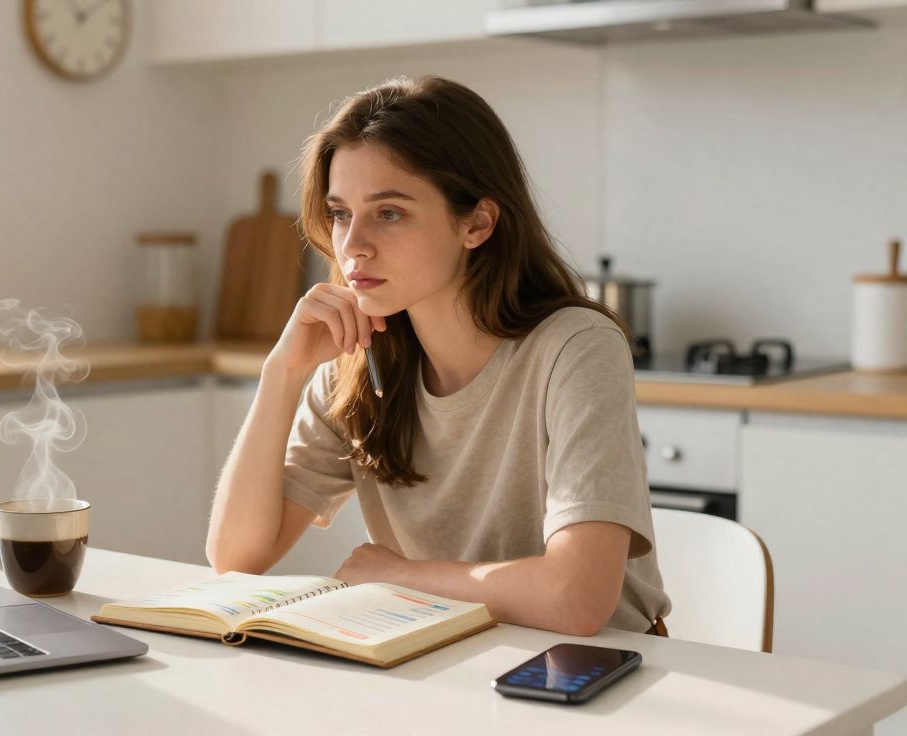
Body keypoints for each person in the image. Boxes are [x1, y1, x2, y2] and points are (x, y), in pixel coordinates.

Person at [205, 75, 671, 637]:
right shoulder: (356, 365)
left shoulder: (575, 347)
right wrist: (282, 373)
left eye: (389, 213)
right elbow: (236, 556)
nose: (352, 245)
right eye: (341, 213)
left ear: (476, 223)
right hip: (442, 655)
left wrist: (397, 576)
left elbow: (576, 600)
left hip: (596, 670)